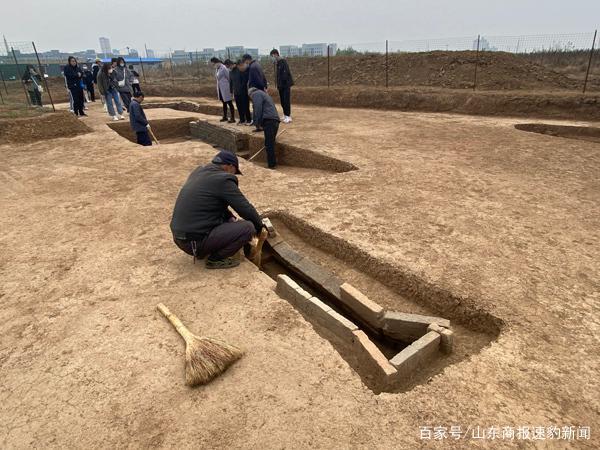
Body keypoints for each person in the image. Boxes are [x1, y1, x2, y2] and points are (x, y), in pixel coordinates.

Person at [170, 150, 265, 269]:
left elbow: (214, 205)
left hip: (180, 238)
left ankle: (205, 247)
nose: (234, 175)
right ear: (230, 166)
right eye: (235, 172)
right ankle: (215, 259)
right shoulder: (223, 180)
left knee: (231, 220)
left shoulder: (199, 172)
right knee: (247, 228)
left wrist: (230, 218)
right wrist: (259, 226)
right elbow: (245, 208)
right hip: (193, 242)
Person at [248, 87, 280, 169]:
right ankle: (273, 162)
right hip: (275, 120)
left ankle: (271, 165)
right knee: (271, 142)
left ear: (250, 94)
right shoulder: (263, 94)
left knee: (269, 144)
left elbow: (258, 108)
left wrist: (257, 123)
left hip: (269, 121)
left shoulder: (256, 94)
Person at [270, 49, 294, 123]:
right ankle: (285, 114)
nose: (272, 57)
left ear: (276, 54)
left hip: (285, 85)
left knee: (286, 100)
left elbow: (285, 74)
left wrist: (282, 84)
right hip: (281, 86)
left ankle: (288, 116)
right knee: (282, 101)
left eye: (272, 56)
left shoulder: (283, 61)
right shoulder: (278, 63)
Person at [210, 57, 235, 123]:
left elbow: (229, 78)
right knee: (224, 103)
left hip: (226, 89)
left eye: (213, 64)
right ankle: (225, 117)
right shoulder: (217, 69)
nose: (213, 65)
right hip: (221, 89)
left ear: (217, 62)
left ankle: (233, 118)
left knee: (229, 103)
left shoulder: (224, 68)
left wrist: (231, 88)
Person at [230, 60, 252, 125]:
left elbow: (244, 81)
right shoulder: (230, 72)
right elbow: (231, 82)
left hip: (243, 92)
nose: (229, 67)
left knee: (245, 106)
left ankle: (248, 119)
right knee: (239, 106)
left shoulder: (240, 70)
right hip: (236, 92)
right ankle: (242, 120)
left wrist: (241, 89)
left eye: (229, 66)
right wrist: (231, 91)